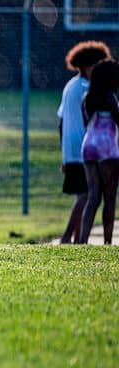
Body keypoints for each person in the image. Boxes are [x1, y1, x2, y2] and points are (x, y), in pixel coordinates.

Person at [58, 41, 111, 243]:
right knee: (87, 194)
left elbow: (61, 122)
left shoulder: (70, 85)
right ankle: (67, 237)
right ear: (88, 66)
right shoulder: (87, 88)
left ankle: (79, 239)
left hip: (71, 148)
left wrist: (63, 152)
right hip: (83, 148)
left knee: (82, 193)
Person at [77, 59, 119, 244]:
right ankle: (108, 242)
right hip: (107, 148)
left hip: (88, 146)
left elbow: (86, 123)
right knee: (109, 196)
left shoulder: (87, 98)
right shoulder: (110, 98)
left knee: (93, 195)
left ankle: (82, 240)